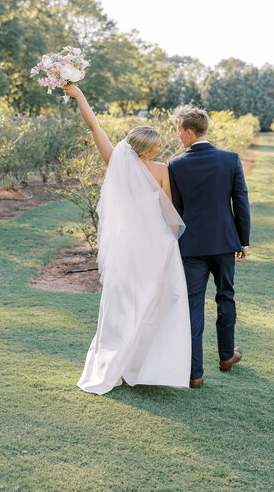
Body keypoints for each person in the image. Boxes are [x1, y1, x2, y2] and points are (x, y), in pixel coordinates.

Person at [63, 84, 191, 395]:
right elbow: (169, 214)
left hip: (123, 248)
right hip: (156, 248)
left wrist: (79, 94)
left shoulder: (115, 161)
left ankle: (114, 366)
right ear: (151, 149)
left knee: (121, 306)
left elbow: (94, 125)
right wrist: (172, 244)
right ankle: (146, 366)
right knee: (157, 305)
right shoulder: (161, 170)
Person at [168, 105, 251, 388]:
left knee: (193, 307)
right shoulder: (230, 159)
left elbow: (176, 210)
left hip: (191, 247)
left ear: (190, 132)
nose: (177, 135)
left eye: (179, 130)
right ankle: (226, 356)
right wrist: (244, 240)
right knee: (225, 296)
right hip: (225, 242)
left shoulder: (175, 165)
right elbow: (240, 200)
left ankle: (194, 374)